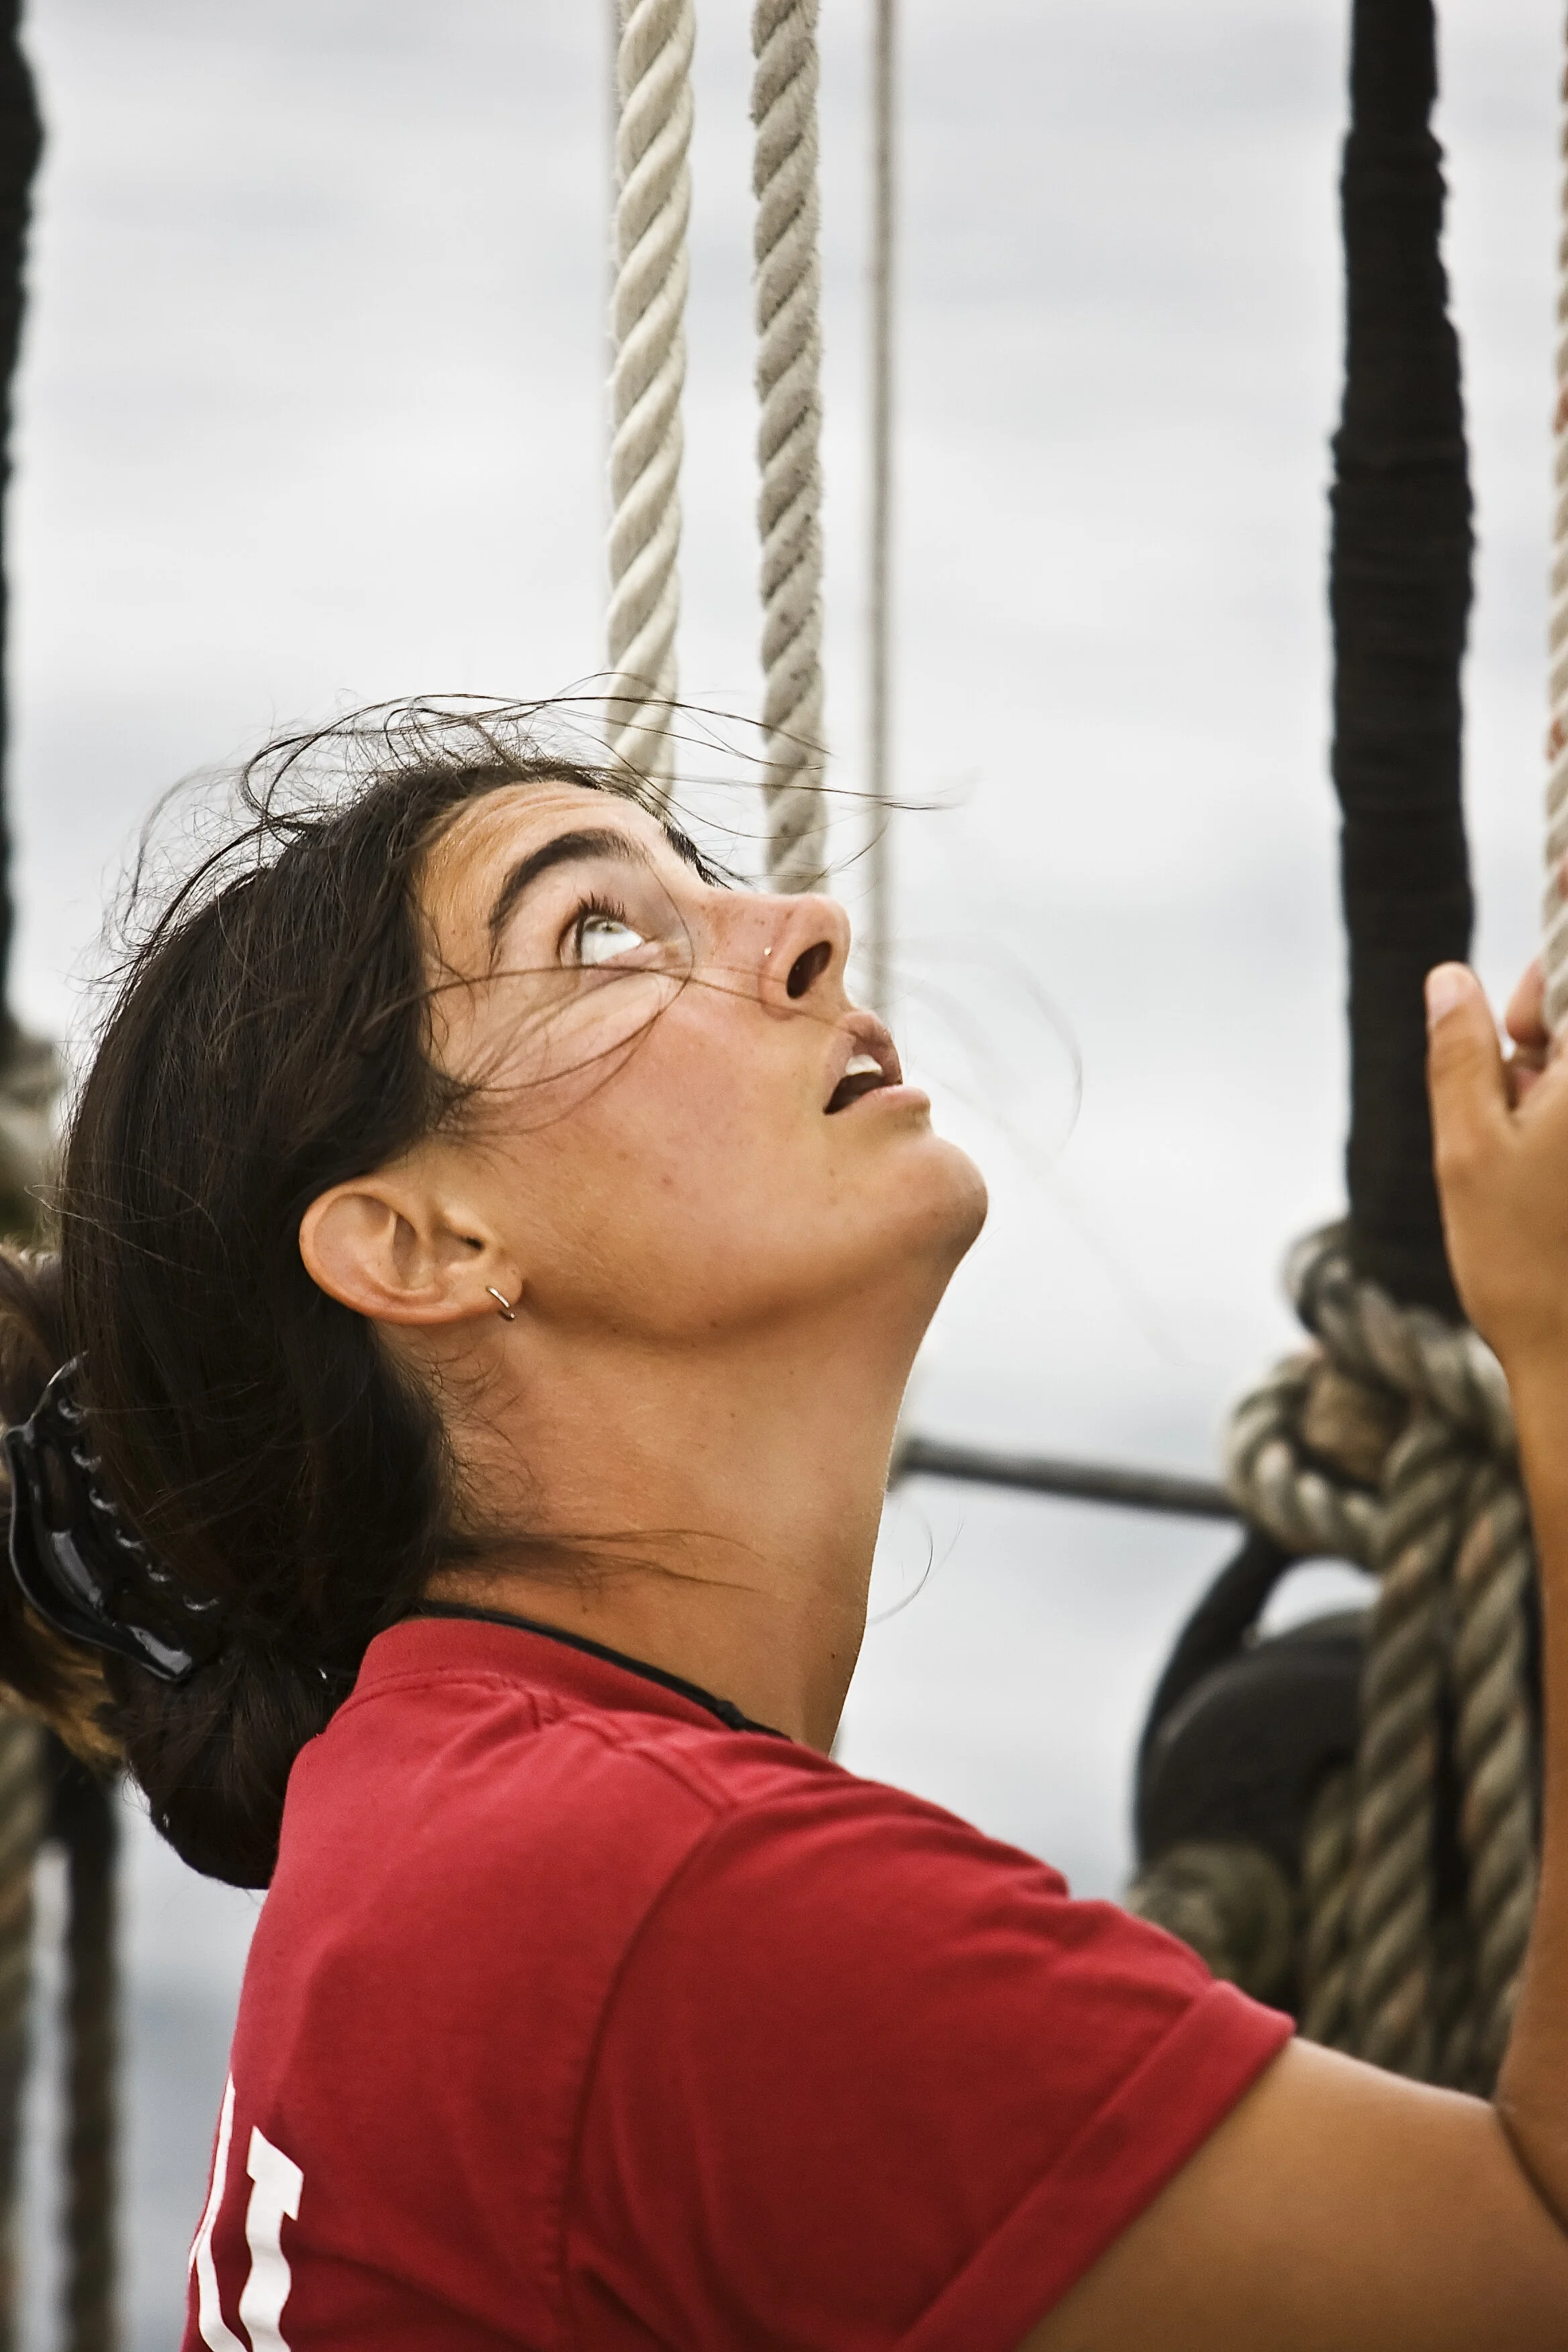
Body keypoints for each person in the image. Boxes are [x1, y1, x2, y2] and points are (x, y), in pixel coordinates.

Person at [0, 707, 1564, 2350]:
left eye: (713, 887)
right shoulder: (660, 1905)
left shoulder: (459, 1828)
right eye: (600, 934)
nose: (807, 935)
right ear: (420, 1243)